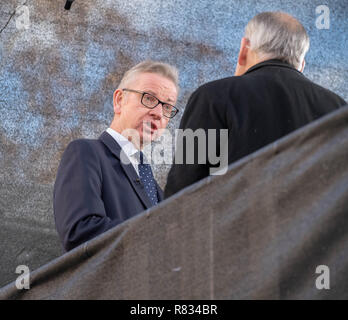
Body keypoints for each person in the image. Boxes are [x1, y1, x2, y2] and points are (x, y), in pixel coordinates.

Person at [165, 11, 346, 198]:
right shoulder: (338, 108)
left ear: (244, 48)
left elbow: (182, 192)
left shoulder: (213, 97)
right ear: (301, 64)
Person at [54, 61, 179, 251]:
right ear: (119, 100)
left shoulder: (155, 189)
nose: (159, 114)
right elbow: (80, 231)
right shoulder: (86, 153)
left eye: (168, 107)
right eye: (149, 98)